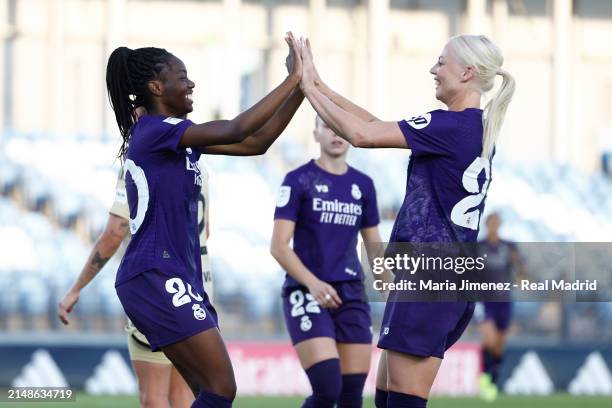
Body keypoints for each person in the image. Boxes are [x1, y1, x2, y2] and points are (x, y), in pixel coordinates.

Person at [297, 34, 515, 407]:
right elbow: (375, 124)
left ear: (467, 72)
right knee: (387, 399)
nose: (434, 69)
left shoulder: (449, 125)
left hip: (431, 278)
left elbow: (362, 135)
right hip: (443, 279)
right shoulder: (472, 128)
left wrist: (304, 86)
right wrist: (318, 85)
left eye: (441, 62)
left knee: (400, 402)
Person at [105, 32, 304, 408]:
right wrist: (292, 79)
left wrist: (302, 89)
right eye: (182, 77)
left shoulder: (174, 138)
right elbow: (236, 128)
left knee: (208, 393)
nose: (191, 82)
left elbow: (255, 143)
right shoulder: (155, 132)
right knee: (220, 387)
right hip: (155, 274)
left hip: (172, 275)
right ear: (156, 86)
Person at [58, 164, 213, 407]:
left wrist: (76, 287)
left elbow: (115, 232)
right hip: (197, 285)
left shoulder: (142, 155)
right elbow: (206, 231)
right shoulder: (196, 163)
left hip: (160, 286)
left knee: (154, 397)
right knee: (184, 397)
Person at [271, 115, 383, 408]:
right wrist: (313, 283)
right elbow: (278, 247)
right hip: (306, 291)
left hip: (352, 294)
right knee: (328, 388)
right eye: (327, 127)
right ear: (315, 134)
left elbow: (374, 246)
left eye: (340, 127)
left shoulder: (363, 185)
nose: (335, 134)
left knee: (351, 395)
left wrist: (388, 285)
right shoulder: (298, 180)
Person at [474, 212, 526, 401]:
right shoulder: (478, 247)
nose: (495, 226)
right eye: (492, 223)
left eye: (498, 223)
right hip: (483, 300)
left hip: (504, 300)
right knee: (489, 338)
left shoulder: (509, 247)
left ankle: (493, 379)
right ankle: (485, 379)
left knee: (498, 345)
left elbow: (522, 272)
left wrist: (517, 263)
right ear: (487, 225)